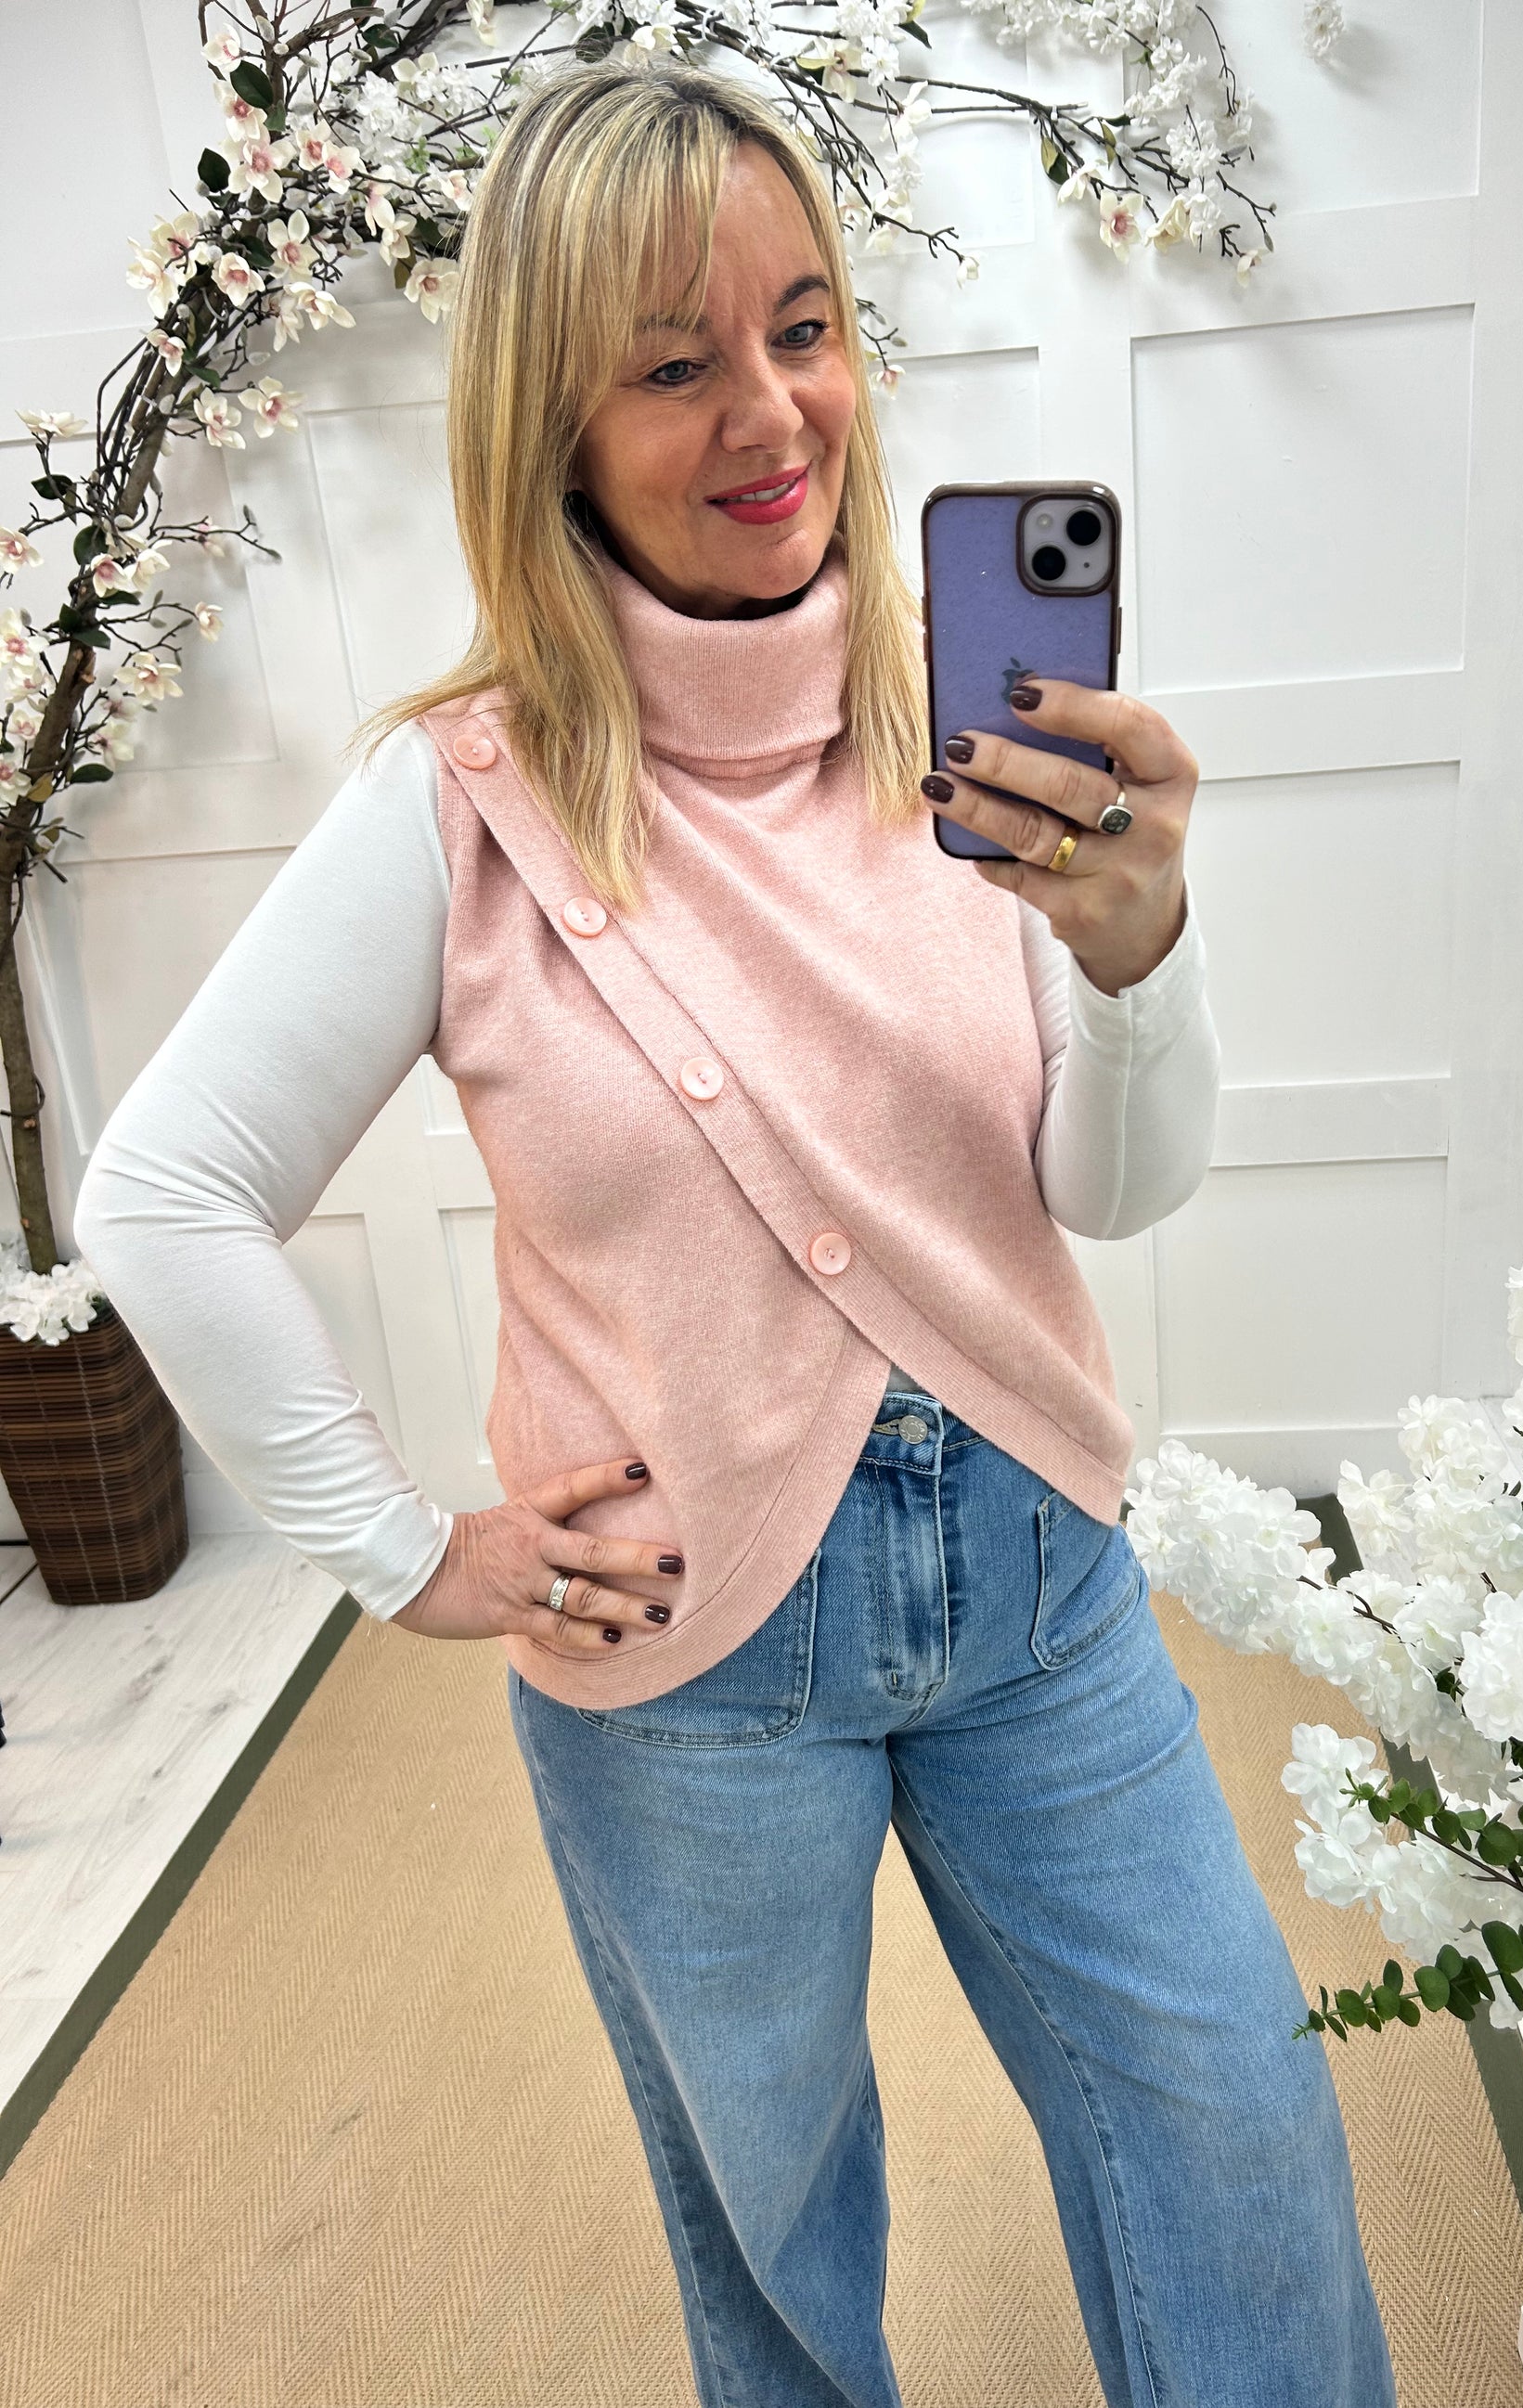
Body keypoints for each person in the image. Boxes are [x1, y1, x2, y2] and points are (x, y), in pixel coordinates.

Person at [74, 59, 1395, 2408]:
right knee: (775, 2237)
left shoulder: (976, 724)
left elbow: (1112, 1191)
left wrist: (1138, 956)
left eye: (805, 327)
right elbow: (162, 1191)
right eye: (674, 361)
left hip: (1039, 1586)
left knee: (1236, 2135)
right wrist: (400, 1547)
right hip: (689, 1663)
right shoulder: (460, 805)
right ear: (553, 427)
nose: (770, 413)